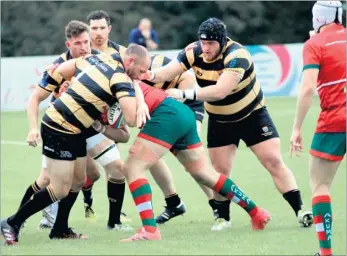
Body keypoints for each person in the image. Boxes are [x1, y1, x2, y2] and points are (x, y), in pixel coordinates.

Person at [139, 17, 313, 230]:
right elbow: (169, 71)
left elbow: (220, 91)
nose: (206, 48)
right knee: (219, 171)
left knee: (273, 162)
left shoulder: (237, 56)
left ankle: (300, 211)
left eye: (211, 43)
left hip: (253, 115)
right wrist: (150, 74)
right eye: (203, 42)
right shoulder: (194, 51)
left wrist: (183, 93)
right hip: (221, 120)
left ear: (222, 41)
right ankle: (223, 218)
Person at [0, 45, 151, 245]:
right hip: (59, 127)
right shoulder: (121, 78)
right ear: (130, 61)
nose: (141, 77)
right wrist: (139, 111)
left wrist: (58, 78)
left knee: (79, 180)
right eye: (141, 72)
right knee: (59, 188)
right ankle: (11, 222)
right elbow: (131, 121)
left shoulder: (100, 59)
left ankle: (59, 228)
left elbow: (63, 69)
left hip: (76, 129)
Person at [110, 81, 271, 242]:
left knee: (132, 168)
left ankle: (150, 230)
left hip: (165, 114)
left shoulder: (106, 74)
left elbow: (129, 116)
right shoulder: (114, 73)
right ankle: (256, 212)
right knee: (204, 173)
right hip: (180, 112)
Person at [290, 2, 345, 256]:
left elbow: (308, 88)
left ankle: (326, 253)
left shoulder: (314, 45)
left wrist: (296, 129)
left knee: (320, 185)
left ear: (317, 17)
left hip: (334, 121)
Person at [142, 54, 217, 224]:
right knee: (148, 156)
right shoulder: (139, 74)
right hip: (159, 112)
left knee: (193, 163)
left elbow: (184, 85)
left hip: (187, 108)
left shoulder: (174, 72)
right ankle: (173, 203)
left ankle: (216, 204)